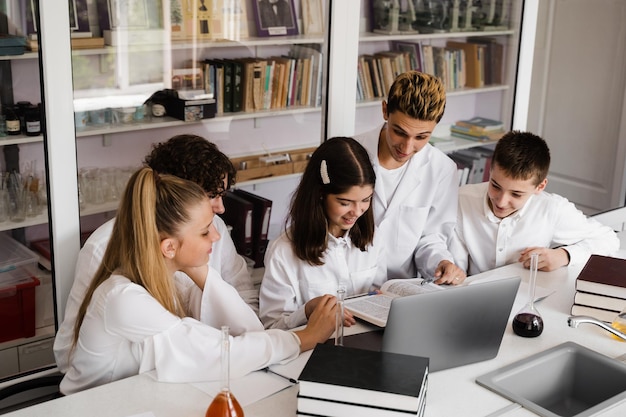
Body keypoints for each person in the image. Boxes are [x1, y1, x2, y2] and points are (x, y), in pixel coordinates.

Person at [59, 168, 336, 395]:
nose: (216, 238)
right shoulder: (122, 298)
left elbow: (248, 331)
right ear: (168, 247)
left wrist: (198, 270)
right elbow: (223, 352)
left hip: (132, 400)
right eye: (205, 233)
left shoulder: (173, 278)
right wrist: (305, 337)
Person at [54, 135, 259, 374]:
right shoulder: (104, 246)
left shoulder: (216, 230)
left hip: (202, 365)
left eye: (223, 194)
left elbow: (244, 299)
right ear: (176, 195)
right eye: (212, 195)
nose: (221, 207)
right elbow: (67, 355)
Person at [450, 131, 620, 275]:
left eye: (516, 194)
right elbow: (454, 263)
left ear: (540, 186)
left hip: (528, 300)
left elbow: (608, 239)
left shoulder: (552, 209)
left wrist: (564, 255)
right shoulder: (462, 199)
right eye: (495, 186)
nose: (501, 201)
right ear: (491, 170)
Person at [260, 137, 386, 330]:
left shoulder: (372, 237)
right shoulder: (283, 251)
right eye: (345, 203)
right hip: (311, 351)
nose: (357, 211)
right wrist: (308, 311)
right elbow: (272, 327)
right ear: (320, 194)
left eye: (366, 200)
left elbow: (377, 292)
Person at [354, 70, 465, 284]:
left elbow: (431, 238)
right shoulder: (349, 153)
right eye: (400, 132)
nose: (407, 147)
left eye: (421, 137)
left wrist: (440, 262)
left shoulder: (442, 169)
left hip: (398, 290)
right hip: (349, 287)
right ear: (385, 111)